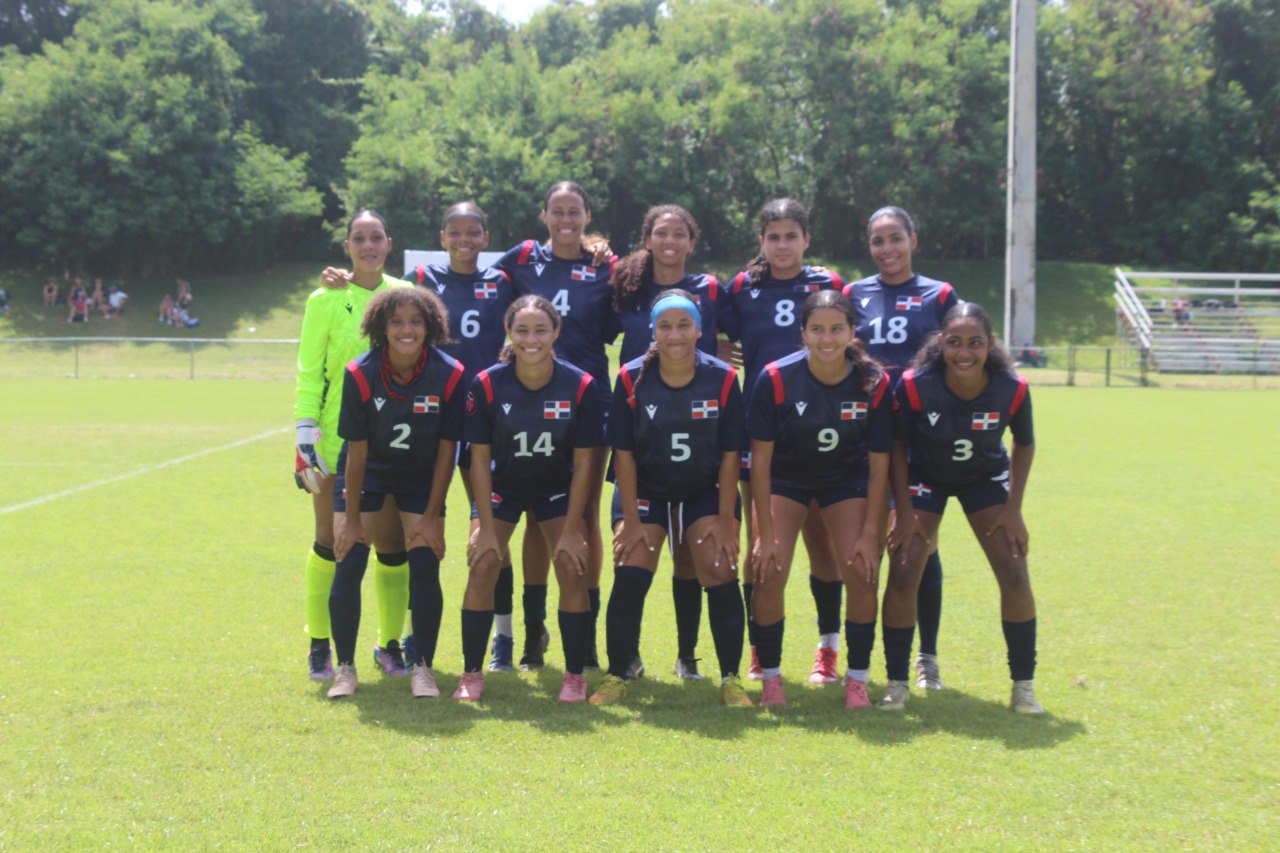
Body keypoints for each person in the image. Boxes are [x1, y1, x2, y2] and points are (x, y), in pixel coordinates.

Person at [589, 290, 752, 706]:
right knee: (631, 566)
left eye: (683, 325)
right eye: (665, 325)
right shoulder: (631, 378)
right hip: (646, 489)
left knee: (719, 565)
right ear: (653, 331)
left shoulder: (723, 378)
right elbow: (624, 455)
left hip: (703, 489)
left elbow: (731, 455)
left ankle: (730, 679)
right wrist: (631, 520)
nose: (675, 333)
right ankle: (617, 674)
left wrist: (726, 519)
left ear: (699, 329)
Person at [880, 302, 1043, 713]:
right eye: (954, 342)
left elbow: (1025, 443)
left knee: (1014, 569)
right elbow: (896, 446)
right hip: (925, 476)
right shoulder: (916, 384)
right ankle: (897, 683)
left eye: (975, 343)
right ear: (941, 342)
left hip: (983, 478)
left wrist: (1013, 509)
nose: (964, 352)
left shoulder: (1012, 387)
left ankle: (1023, 686)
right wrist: (903, 510)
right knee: (904, 568)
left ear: (990, 343)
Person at [718, 198, 847, 684]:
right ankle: (760, 651)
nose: (783, 245)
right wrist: (717, 345)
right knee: (760, 544)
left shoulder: (828, 284)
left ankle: (828, 648)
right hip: (763, 431)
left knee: (821, 541)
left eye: (792, 236)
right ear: (762, 241)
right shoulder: (743, 287)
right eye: (773, 237)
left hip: (821, 427)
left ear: (806, 239)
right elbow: (711, 328)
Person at [493, 181, 618, 673]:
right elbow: (475, 284)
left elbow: (623, 320)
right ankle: (533, 631)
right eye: (557, 211)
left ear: (588, 215)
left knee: (583, 517)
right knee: (533, 512)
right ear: (543, 214)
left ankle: (585, 638)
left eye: (575, 211)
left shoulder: (605, 266)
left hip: (587, 401)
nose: (566, 219)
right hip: (526, 400)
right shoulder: (523, 257)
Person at [746, 290, 891, 707]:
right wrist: (765, 534)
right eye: (817, 329)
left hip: (844, 482)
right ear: (804, 332)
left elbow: (879, 465)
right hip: (786, 481)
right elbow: (760, 462)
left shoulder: (873, 382)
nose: (827, 339)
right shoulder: (776, 378)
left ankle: (856, 679)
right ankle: (771, 679)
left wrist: (871, 533)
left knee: (863, 571)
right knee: (768, 569)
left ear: (852, 331)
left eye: (836, 329)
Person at [457, 295, 604, 702]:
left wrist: (573, 530)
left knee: (571, 565)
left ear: (556, 332)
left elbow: (585, 464)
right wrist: (486, 528)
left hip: (556, 490)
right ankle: (471, 674)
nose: (531, 339)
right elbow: (478, 460)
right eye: (521, 330)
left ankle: (574, 675)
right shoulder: (488, 383)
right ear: (509, 332)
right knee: (483, 562)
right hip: (502, 489)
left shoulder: (581, 385)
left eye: (541, 329)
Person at [327, 287, 466, 699]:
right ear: (381, 327)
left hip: (421, 475)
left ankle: (423, 667)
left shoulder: (450, 373)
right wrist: (352, 520)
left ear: (430, 326)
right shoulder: (360, 372)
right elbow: (356, 450)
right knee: (349, 557)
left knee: (425, 562)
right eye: (397, 322)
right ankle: (345, 669)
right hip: (367, 471)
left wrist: (432, 515)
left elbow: (448, 449)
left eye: (416, 322)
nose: (407, 330)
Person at [294, 210, 414, 682]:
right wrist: (304, 437)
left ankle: (389, 644)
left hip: (392, 438)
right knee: (330, 539)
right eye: (358, 238)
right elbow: (309, 372)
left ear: (389, 244)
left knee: (391, 541)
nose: (368, 246)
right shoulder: (325, 298)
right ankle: (319, 644)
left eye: (376, 237)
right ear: (347, 247)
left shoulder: (404, 294)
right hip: (334, 439)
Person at [843, 205, 959, 691]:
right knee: (857, 544)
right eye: (877, 240)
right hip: (863, 433)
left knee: (918, 545)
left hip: (917, 435)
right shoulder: (854, 294)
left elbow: (960, 356)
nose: (886, 248)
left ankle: (926, 657)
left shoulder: (940, 295)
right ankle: (854, 657)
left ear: (913, 239)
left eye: (895, 238)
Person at [612, 204, 724, 680]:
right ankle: (625, 660)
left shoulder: (711, 289)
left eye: (680, 233)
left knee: (690, 558)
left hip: (696, 429)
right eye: (661, 232)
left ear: (692, 241)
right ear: (647, 239)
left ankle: (687, 656)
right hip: (643, 426)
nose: (670, 240)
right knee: (633, 553)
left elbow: (732, 333)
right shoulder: (626, 285)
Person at [405, 202, 516, 670]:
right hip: (431, 412)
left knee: (491, 526)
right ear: (442, 237)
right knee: (418, 526)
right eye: (455, 232)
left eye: (474, 232)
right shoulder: (422, 279)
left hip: (484, 416)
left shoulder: (503, 282)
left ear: (486, 238)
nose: (464, 240)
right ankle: (411, 634)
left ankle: (504, 635)